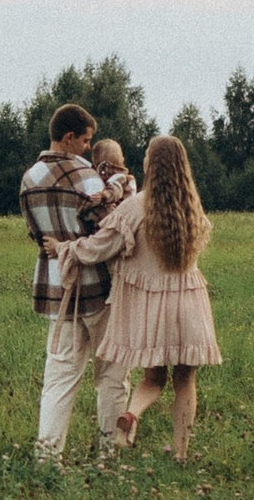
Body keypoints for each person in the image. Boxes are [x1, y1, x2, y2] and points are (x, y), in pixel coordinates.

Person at [79, 131, 221, 459]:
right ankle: (181, 453)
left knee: (153, 377)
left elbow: (101, 246)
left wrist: (67, 249)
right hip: (189, 304)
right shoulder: (192, 208)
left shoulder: (135, 206)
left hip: (153, 308)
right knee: (185, 380)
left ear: (150, 165)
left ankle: (132, 415)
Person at [20, 102, 129, 466]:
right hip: (98, 288)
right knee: (112, 373)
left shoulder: (29, 178)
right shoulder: (86, 178)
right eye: (85, 140)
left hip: (57, 289)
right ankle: (110, 452)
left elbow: (35, 234)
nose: (88, 148)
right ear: (68, 138)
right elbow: (111, 231)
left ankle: (47, 456)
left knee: (60, 377)